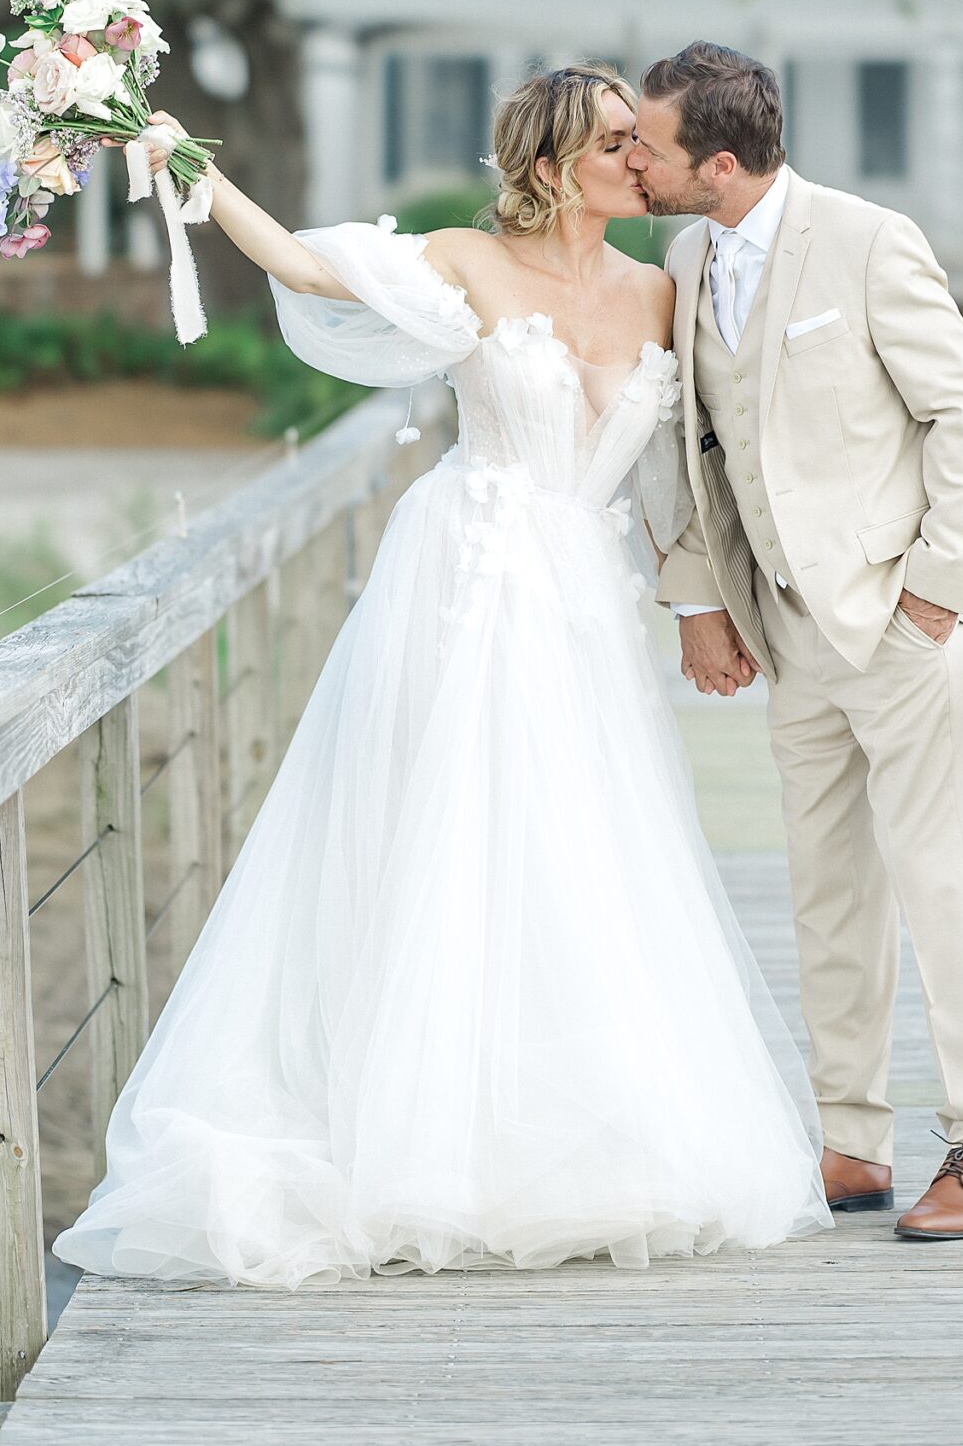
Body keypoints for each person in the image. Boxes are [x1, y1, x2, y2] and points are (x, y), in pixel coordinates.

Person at [53, 65, 828, 1292]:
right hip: (463, 581)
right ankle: (419, 1135)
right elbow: (309, 271)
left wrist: (710, 601)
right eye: (622, 139)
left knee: (575, 849)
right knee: (447, 840)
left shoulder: (661, 287)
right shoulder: (468, 259)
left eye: (645, 139)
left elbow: (697, 463)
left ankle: (561, 1122)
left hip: (581, 593)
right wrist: (180, 161)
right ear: (555, 162)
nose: (646, 158)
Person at [629, 42, 963, 1241]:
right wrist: (701, 597)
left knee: (943, 881)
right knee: (828, 892)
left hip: (901, 627)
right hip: (789, 634)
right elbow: (690, 444)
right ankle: (853, 1139)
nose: (632, 160)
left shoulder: (866, 240)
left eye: (649, 145)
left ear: (724, 160)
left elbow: (962, 411)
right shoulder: (686, 253)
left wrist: (935, 594)